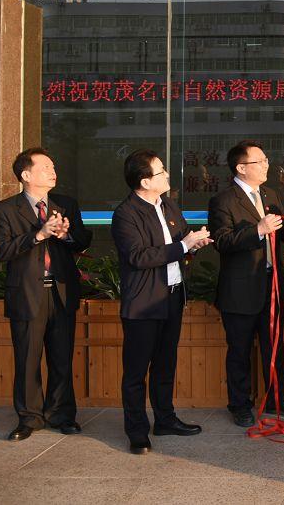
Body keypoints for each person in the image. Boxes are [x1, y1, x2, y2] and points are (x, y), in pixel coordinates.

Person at [112, 149, 212, 454]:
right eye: (161, 171)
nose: (167, 174)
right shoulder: (126, 213)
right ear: (144, 181)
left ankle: (165, 419)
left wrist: (193, 244)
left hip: (171, 296)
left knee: (165, 365)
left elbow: (179, 241)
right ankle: (137, 432)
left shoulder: (167, 204)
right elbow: (139, 256)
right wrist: (184, 245)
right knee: (136, 371)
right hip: (143, 302)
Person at [0, 147, 92, 441]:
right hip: (27, 294)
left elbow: (83, 240)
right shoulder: (5, 209)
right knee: (28, 360)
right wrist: (39, 235)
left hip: (61, 292)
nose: (52, 170)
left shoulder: (66, 204)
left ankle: (62, 414)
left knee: (61, 358)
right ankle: (29, 418)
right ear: (26, 175)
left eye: (53, 166)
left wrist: (66, 235)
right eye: (45, 166)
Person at [209, 140, 284, 427]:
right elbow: (223, 242)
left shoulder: (270, 193)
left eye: (266, 160)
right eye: (260, 161)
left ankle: (279, 399)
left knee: (274, 347)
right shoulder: (223, 201)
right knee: (239, 351)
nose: (267, 165)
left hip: (271, 286)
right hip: (239, 291)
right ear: (241, 168)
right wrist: (257, 230)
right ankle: (240, 405)